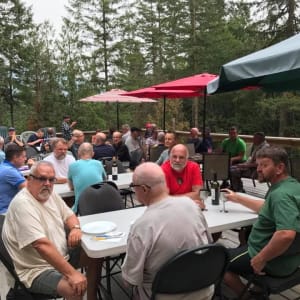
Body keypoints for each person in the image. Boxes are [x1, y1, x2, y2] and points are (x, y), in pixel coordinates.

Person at [2, 161, 101, 300]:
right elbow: (41, 245)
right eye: (42, 178)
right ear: (29, 179)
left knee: (95, 256)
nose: (47, 183)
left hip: (62, 256)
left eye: (51, 180)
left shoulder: (49, 194)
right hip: (36, 269)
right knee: (74, 289)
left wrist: (75, 228)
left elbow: (70, 215)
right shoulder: (23, 204)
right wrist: (72, 273)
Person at [122, 162, 213, 300]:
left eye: (134, 187)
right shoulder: (192, 205)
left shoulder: (142, 226)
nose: (134, 191)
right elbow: (210, 245)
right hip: (204, 290)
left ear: (144, 189)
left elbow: (130, 280)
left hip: (166, 296)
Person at [223, 146, 300, 299]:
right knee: (242, 241)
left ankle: (249, 297)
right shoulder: (292, 186)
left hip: (270, 260)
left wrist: (261, 258)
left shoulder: (280, 196)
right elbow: (266, 208)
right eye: (258, 165)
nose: (258, 169)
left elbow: (286, 234)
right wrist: (237, 198)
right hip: (290, 258)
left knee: (218, 262)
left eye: (264, 165)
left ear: (279, 168)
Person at [161, 144, 205, 209]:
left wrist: (172, 198)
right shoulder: (163, 170)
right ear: (169, 157)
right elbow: (163, 200)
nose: (177, 160)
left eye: (181, 157)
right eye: (174, 157)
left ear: (187, 159)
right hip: (171, 209)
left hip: (188, 209)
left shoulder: (194, 167)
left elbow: (198, 194)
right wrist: (188, 199)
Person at [68, 142, 106, 213]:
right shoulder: (98, 163)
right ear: (93, 153)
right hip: (100, 204)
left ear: (78, 153)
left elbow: (71, 187)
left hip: (81, 206)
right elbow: (105, 181)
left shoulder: (72, 166)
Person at [0, 144, 27, 214]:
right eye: (23, 156)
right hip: (6, 212)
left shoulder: (4, 166)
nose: (25, 159)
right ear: (15, 157)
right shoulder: (9, 171)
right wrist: (35, 169)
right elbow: (30, 189)